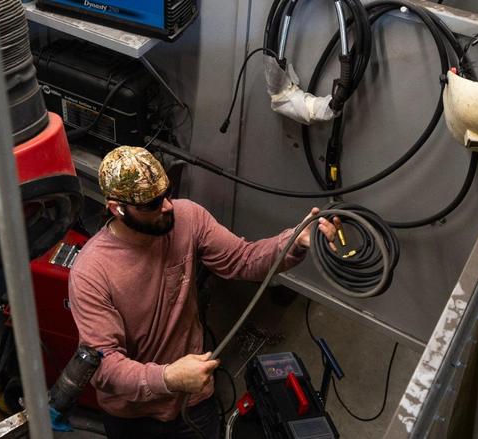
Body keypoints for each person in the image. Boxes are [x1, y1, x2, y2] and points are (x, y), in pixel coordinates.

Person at [68, 146, 339, 438]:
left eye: (167, 194)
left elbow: (242, 259)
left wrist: (294, 241)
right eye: (152, 204)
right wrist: (168, 378)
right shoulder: (91, 272)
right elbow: (105, 366)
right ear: (117, 209)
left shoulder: (188, 218)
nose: (167, 206)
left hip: (193, 398)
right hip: (134, 413)